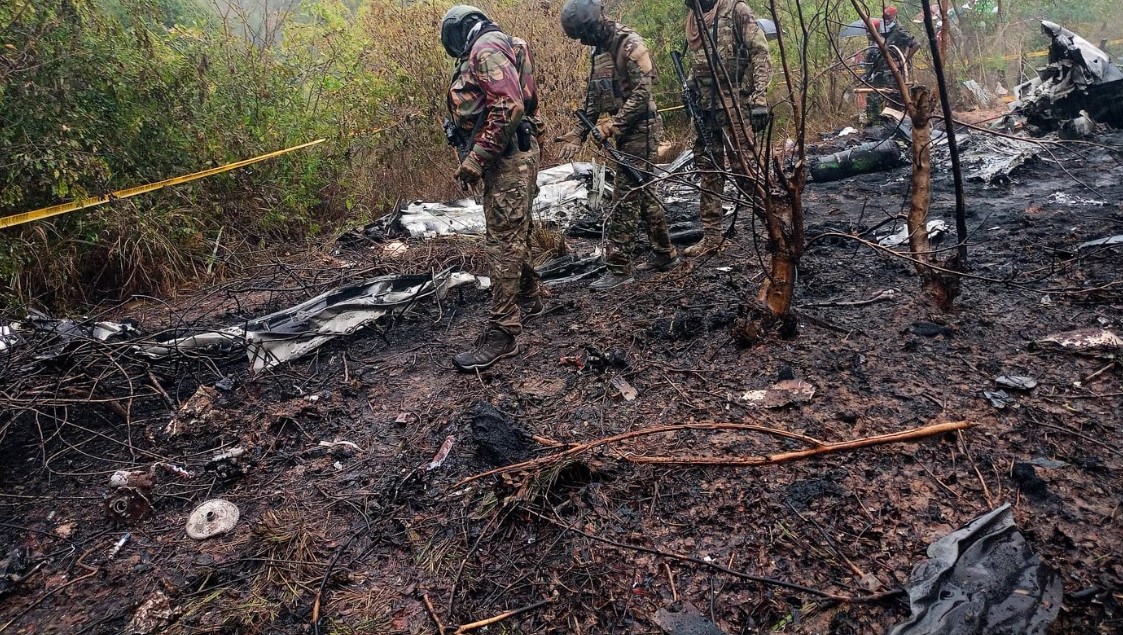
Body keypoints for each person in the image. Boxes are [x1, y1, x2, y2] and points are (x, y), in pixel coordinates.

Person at [441, 5, 544, 372]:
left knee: (502, 242)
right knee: (514, 233)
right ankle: (530, 296)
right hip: (515, 153)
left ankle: (503, 333)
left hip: (507, 157)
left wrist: (475, 159)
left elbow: (509, 105)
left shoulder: (485, 49)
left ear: (458, 31)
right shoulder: (504, 43)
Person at [554, 0, 681, 290]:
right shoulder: (599, 51)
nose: (584, 41)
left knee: (625, 196)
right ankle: (665, 254)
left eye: (584, 34)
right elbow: (593, 96)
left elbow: (643, 92)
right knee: (644, 192)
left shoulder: (629, 43)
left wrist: (612, 125)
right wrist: (578, 133)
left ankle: (619, 268)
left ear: (596, 23)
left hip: (642, 129)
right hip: (624, 131)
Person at [681, 0, 772, 258]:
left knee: (746, 171)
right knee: (708, 171)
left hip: (734, 103)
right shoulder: (696, 18)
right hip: (705, 107)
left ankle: (773, 227)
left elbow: (760, 52)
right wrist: (688, 87)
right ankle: (712, 237)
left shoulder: (736, 10)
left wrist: (759, 99)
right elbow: (699, 60)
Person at [863, 5, 920, 122]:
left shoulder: (899, 31)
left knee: (896, 97)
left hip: (897, 72)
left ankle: (900, 121)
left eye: (888, 17)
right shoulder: (886, 32)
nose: (886, 20)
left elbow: (916, 44)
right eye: (884, 18)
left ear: (894, 16)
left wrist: (904, 60)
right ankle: (884, 121)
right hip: (885, 71)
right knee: (883, 96)